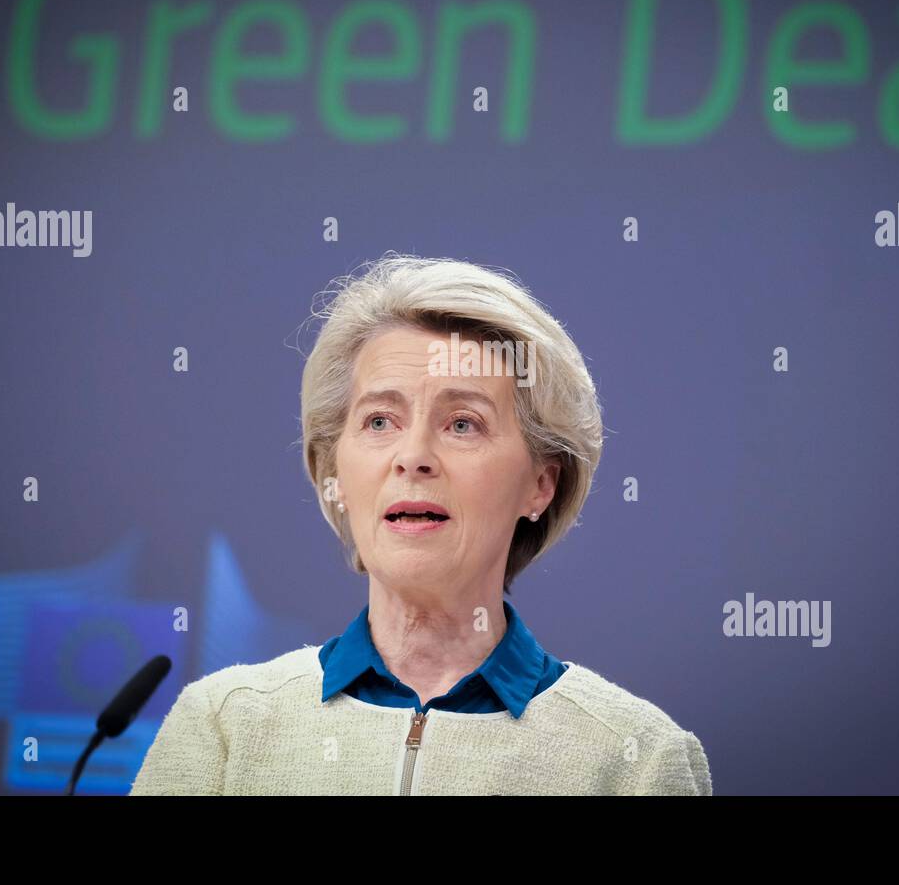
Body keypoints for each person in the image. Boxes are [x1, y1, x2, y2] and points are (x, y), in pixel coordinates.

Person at [130, 253, 712, 795]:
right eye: (380, 421)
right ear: (332, 470)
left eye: (463, 424)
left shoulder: (636, 761)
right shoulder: (223, 727)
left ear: (541, 484)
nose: (413, 456)